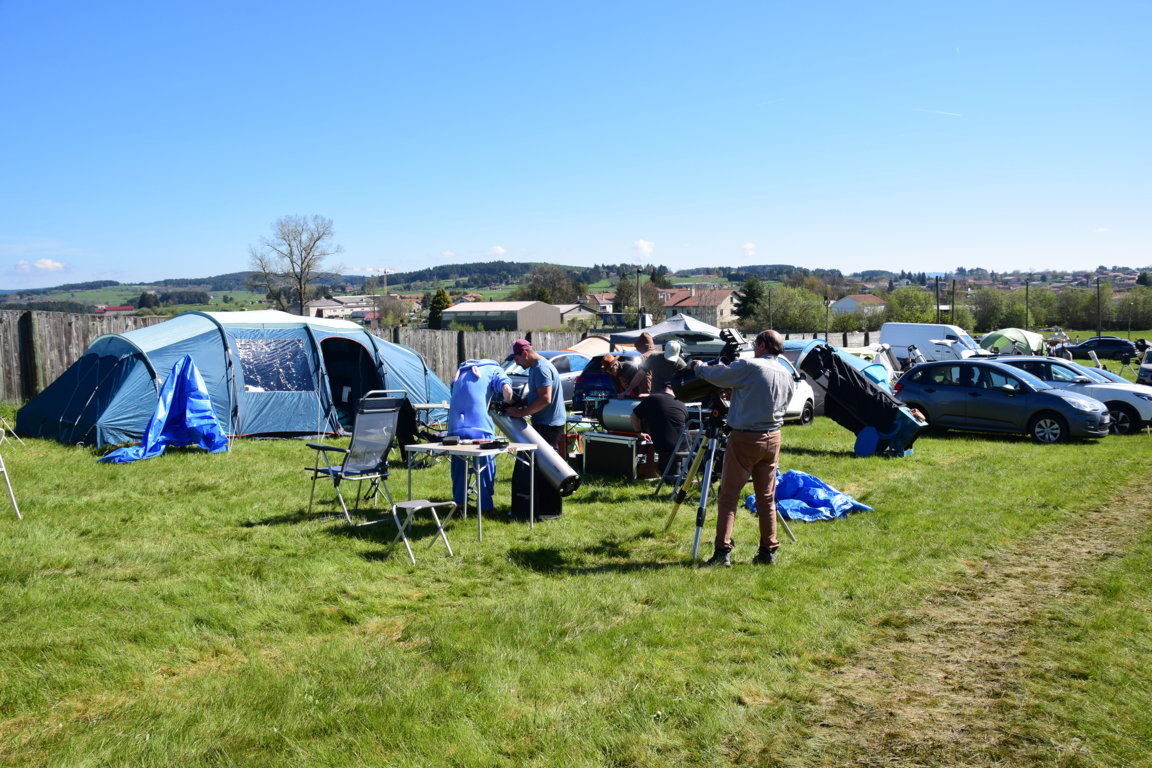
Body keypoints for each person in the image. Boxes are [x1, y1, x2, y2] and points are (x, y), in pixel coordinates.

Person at [691, 329, 795, 567]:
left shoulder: (751, 366)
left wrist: (697, 366)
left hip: (746, 438)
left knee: (728, 497)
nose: (754, 348)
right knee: (766, 498)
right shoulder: (785, 372)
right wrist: (741, 393)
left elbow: (718, 374)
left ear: (762, 345)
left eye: (756, 343)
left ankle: (722, 552)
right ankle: (768, 551)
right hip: (773, 437)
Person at [504, 339, 567, 520]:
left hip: (549, 425)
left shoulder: (541, 369)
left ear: (524, 353)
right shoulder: (534, 368)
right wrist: (521, 403)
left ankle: (545, 510)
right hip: (545, 422)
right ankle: (542, 509)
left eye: (516, 359)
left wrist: (520, 412)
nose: (516, 363)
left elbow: (545, 398)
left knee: (544, 468)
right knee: (539, 466)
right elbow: (536, 396)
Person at [447, 359, 514, 513]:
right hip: (479, 424)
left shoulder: (462, 371)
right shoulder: (494, 370)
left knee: (459, 465)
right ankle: (485, 506)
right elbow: (507, 391)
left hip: (455, 424)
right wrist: (507, 403)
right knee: (485, 463)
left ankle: (459, 504)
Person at [630, 387, 689, 481]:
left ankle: (677, 478)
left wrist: (639, 432)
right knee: (680, 476)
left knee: (671, 479)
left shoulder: (652, 398)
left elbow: (634, 416)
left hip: (667, 447)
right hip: (686, 445)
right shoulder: (681, 403)